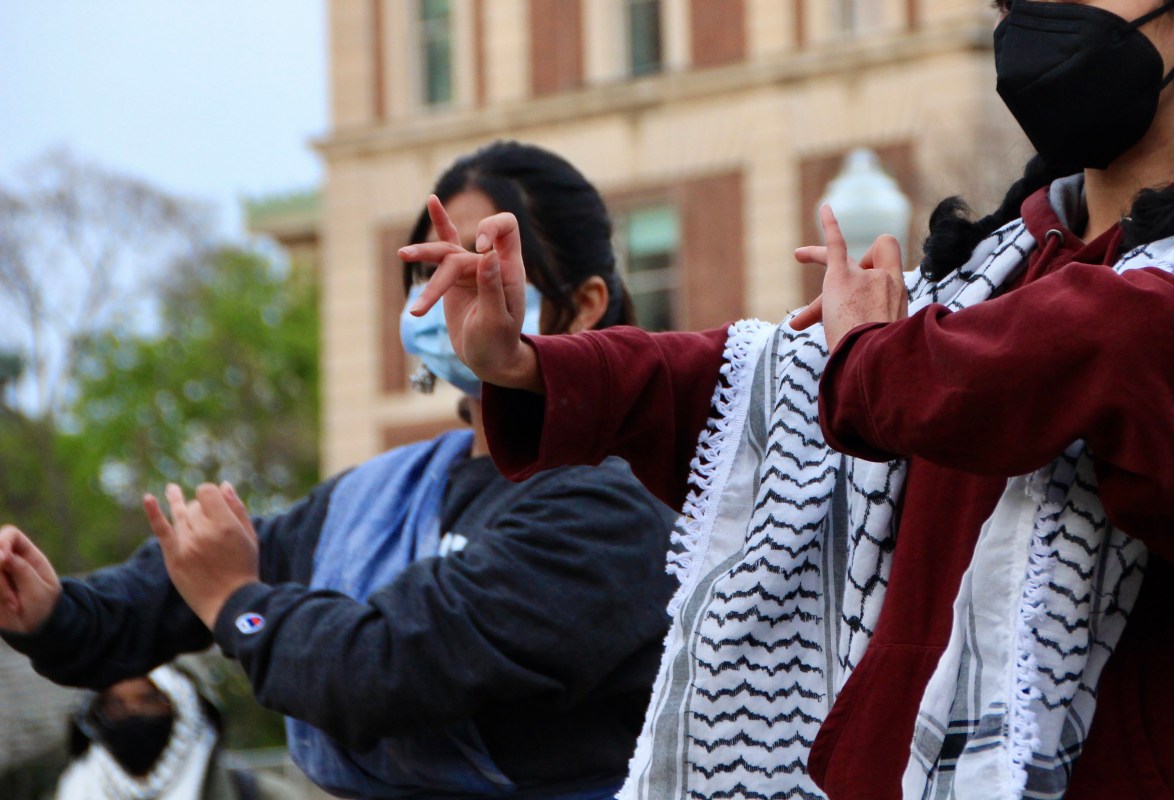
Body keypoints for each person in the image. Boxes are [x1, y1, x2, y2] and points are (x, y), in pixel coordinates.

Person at [399, 2, 1174, 797]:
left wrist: (868, 357)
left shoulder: (1132, 307)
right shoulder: (970, 291)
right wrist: (523, 362)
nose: (1038, 15)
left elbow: (1098, 348)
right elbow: (737, 383)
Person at [0, 141, 678, 799]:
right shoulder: (384, 492)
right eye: (428, 269)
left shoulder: (615, 499)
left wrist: (239, 605)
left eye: (481, 264)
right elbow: (210, 570)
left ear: (586, 304)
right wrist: (52, 610)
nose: (448, 293)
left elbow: (392, 669)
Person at [56, 663, 294, 800]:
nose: (133, 713)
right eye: (116, 704)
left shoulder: (258, 794)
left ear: (182, 708)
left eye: (149, 699)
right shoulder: (76, 791)